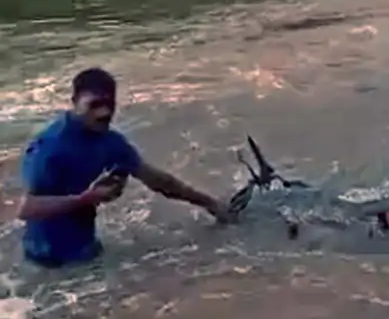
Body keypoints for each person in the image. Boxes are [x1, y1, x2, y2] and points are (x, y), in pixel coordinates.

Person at [17, 67, 230, 268]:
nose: (104, 113)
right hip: (46, 264)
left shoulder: (110, 141)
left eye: (110, 104)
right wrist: (87, 199)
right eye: (94, 105)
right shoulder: (51, 147)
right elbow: (27, 208)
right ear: (74, 102)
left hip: (87, 252)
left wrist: (208, 203)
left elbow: (157, 180)